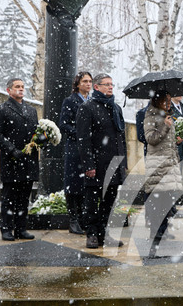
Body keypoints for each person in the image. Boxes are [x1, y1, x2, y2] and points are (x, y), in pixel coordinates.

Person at [76, 73, 127, 249]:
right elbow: (83, 139)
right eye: (106, 84)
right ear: (96, 87)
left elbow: (122, 139)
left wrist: (123, 164)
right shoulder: (87, 107)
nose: (110, 87)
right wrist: (89, 165)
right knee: (92, 201)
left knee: (109, 202)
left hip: (114, 164)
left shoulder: (116, 108)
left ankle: (104, 234)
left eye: (111, 84)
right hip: (97, 165)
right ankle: (91, 234)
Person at [0, 78, 38, 241]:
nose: (21, 89)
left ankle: (21, 228)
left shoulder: (31, 111)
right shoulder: (2, 109)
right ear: (9, 90)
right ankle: (6, 228)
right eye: (17, 87)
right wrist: (12, 150)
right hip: (11, 159)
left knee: (24, 196)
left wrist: (43, 139)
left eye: (23, 87)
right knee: (10, 196)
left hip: (28, 160)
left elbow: (35, 133)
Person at [142, 90, 183, 253]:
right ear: (157, 100)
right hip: (158, 166)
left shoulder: (168, 116)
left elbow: (166, 142)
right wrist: (165, 127)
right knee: (158, 204)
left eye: (169, 99)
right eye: (165, 100)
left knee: (167, 202)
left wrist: (176, 139)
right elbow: (151, 139)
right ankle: (155, 237)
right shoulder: (151, 116)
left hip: (170, 165)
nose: (168, 103)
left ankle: (162, 234)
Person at [58, 71, 92, 235]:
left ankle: (84, 218)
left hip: (90, 150)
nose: (88, 84)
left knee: (87, 184)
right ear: (78, 84)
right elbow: (64, 125)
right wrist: (81, 135)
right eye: (85, 81)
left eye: (90, 81)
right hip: (75, 149)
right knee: (73, 184)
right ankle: (73, 220)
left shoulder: (92, 101)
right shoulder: (70, 101)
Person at [170, 96, 183, 219]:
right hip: (173, 150)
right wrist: (175, 139)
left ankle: (173, 207)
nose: (181, 94)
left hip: (181, 150)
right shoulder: (169, 108)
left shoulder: (182, 108)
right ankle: (170, 208)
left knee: (177, 181)